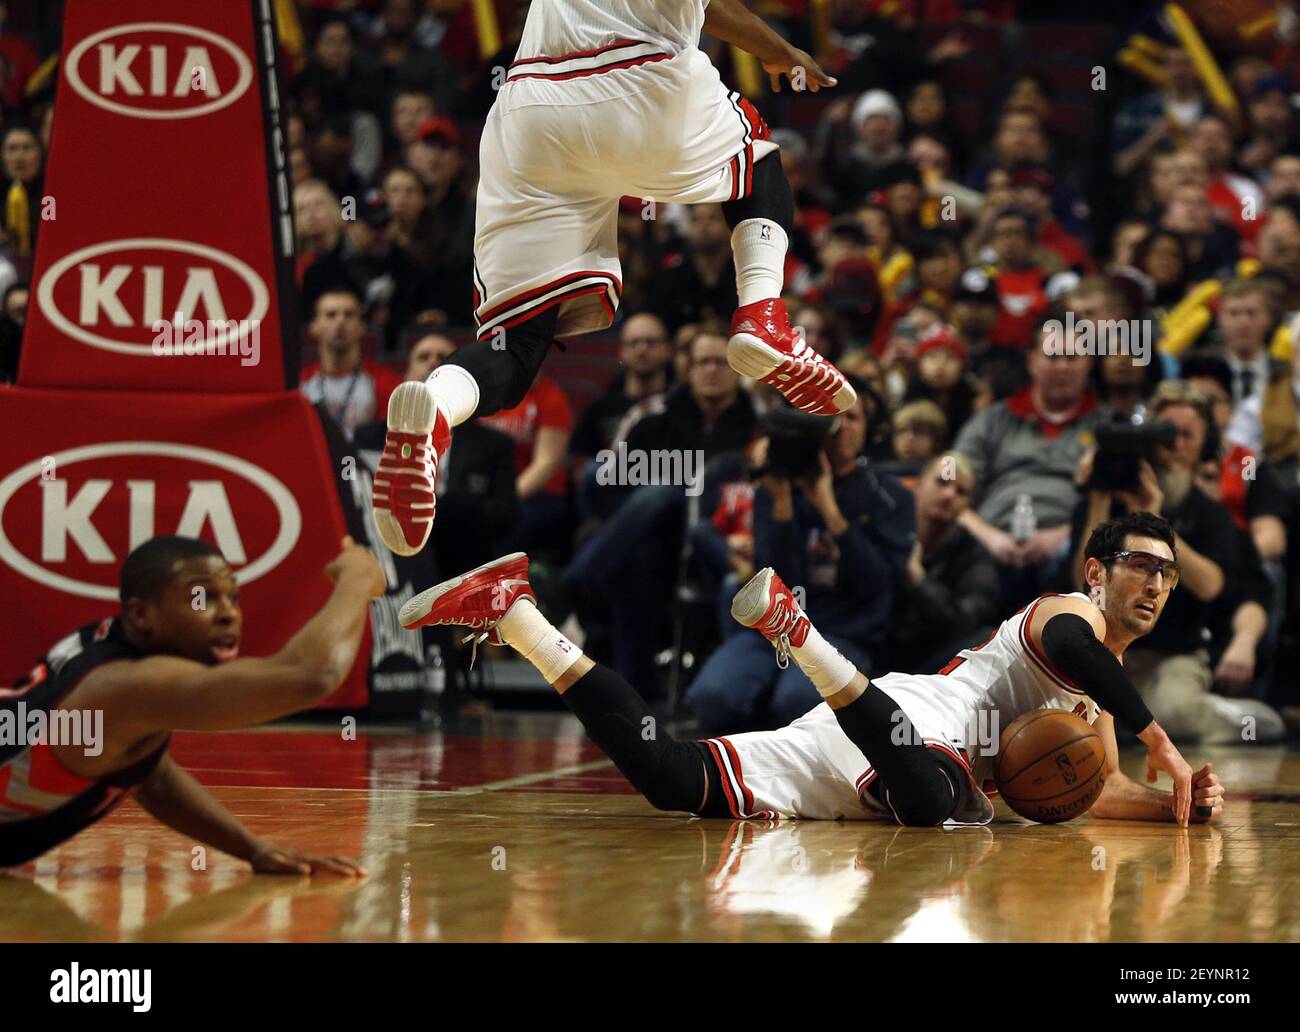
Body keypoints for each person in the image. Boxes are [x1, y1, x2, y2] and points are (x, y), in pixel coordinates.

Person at [369, 0, 857, 558]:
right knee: (760, 159)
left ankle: (434, 405)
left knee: (518, 340)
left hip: (529, 111)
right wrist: (780, 51)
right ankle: (762, 316)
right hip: (634, 78)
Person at [400, 512, 1223, 827]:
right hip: (920, 724)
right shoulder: (1065, 617)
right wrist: (1163, 736)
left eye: (1166, 573)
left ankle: (518, 615)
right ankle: (801, 634)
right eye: (1138, 565)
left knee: (669, 780)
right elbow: (1078, 654)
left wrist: (1179, 803)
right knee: (936, 806)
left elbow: (1095, 785)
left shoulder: (1103, 694)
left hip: (853, 748)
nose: (1153, 583)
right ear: (1095, 571)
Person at [1, 536, 383, 870]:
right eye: (203, 598)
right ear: (140, 614)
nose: (228, 613)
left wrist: (254, 850)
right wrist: (357, 579)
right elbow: (312, 675)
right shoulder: (124, 687)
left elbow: (153, 777)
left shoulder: (115, 663)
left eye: (232, 596)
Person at [685, 390, 914, 734]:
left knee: (795, 703)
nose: (842, 428)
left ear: (868, 429)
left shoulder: (889, 494)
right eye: (832, 420)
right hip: (775, 632)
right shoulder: (777, 489)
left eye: (853, 418)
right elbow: (773, 580)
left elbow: (878, 583)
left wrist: (828, 508)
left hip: (845, 632)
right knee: (711, 697)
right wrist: (781, 504)